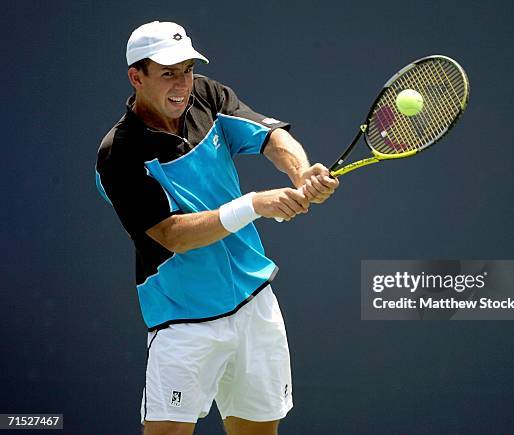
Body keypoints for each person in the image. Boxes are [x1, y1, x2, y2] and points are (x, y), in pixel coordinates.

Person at [95, 21, 339, 435]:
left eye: (187, 69)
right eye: (168, 72)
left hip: (254, 303)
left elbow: (270, 137)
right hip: (183, 319)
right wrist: (254, 205)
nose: (182, 83)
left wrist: (301, 174)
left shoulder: (206, 96)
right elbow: (173, 235)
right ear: (137, 77)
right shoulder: (119, 154)